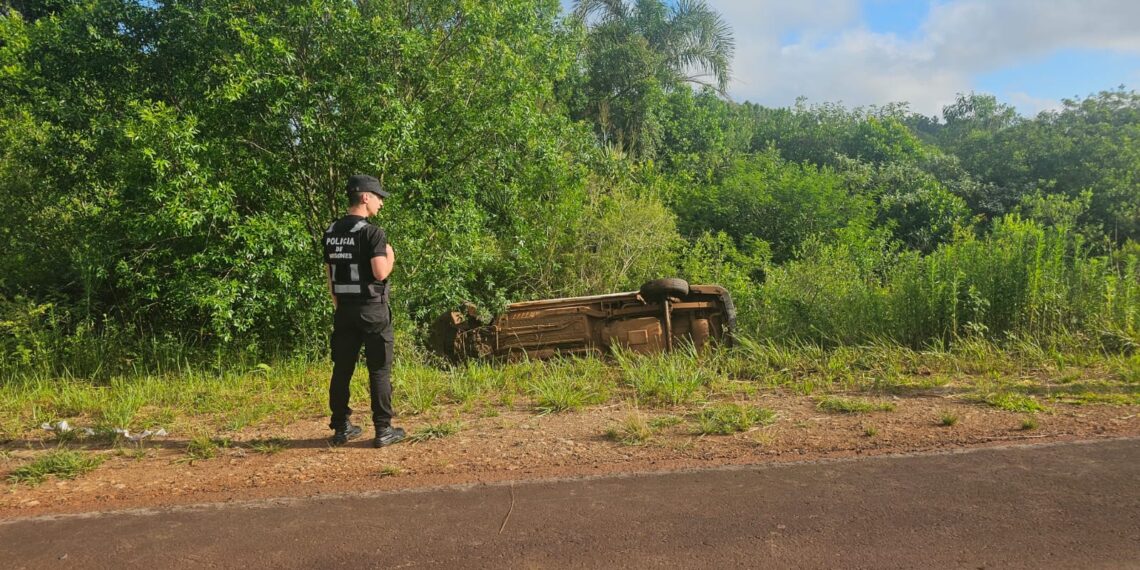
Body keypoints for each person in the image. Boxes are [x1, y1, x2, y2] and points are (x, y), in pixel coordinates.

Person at [323, 174, 406, 447]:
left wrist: (338, 305)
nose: (381, 202)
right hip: (372, 310)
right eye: (378, 197)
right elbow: (380, 272)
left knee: (342, 368)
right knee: (379, 370)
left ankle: (341, 427)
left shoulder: (332, 231)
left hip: (344, 310)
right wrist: (391, 255)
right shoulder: (373, 232)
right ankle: (383, 430)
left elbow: (330, 274)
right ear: (365, 197)